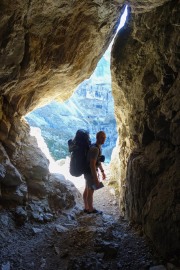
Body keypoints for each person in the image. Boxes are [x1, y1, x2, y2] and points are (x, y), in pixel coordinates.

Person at [83, 131, 106, 214]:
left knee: (87, 188)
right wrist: (95, 179)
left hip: (87, 171)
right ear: (97, 137)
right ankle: (90, 209)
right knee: (91, 190)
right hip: (90, 172)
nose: (103, 139)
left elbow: (97, 161)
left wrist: (102, 171)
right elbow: (92, 164)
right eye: (101, 137)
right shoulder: (95, 149)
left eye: (104, 138)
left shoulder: (95, 146)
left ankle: (86, 207)